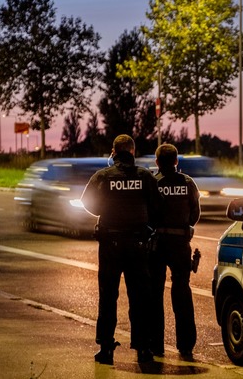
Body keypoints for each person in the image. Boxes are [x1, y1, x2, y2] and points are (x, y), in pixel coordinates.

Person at [81, 134, 163, 365]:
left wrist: (104, 210)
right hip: (138, 246)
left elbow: (87, 203)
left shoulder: (103, 176)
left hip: (110, 245)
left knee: (108, 297)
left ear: (113, 152)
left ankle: (106, 348)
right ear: (132, 152)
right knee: (140, 298)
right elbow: (157, 207)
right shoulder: (145, 177)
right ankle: (144, 349)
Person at [149, 144, 201, 360]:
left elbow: (147, 212)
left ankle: (155, 345)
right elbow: (195, 213)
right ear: (177, 161)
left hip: (157, 244)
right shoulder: (188, 183)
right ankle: (186, 345)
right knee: (182, 292)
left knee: (154, 294)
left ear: (157, 162)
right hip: (180, 244)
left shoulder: (153, 183)